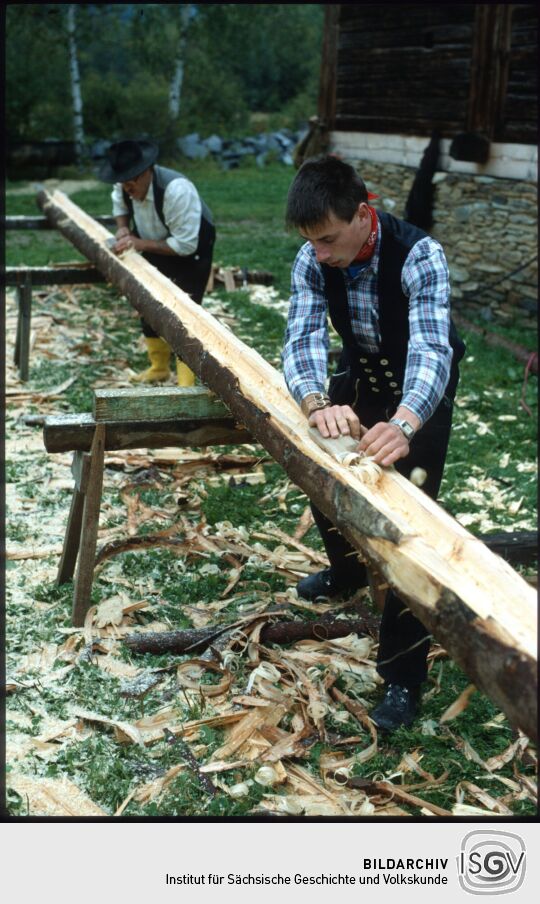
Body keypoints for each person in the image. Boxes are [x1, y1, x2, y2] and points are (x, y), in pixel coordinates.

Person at [282, 155, 465, 731]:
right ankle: (347, 571)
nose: (321, 254)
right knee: (324, 463)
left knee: (408, 525)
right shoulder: (314, 256)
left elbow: (432, 350)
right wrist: (316, 402)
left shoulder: (420, 255)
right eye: (311, 242)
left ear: (363, 215)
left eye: (330, 239)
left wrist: (406, 421)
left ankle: (403, 679)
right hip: (360, 374)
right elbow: (304, 334)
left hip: (420, 392)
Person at [99, 139, 215, 385]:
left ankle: (186, 382)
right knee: (147, 302)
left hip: (191, 251)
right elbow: (120, 206)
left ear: (145, 173)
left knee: (185, 312)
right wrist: (122, 230)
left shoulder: (176, 190)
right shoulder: (124, 187)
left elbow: (185, 245)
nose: (127, 189)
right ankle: (159, 367)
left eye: (131, 183)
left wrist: (138, 243)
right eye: (123, 184)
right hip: (151, 242)